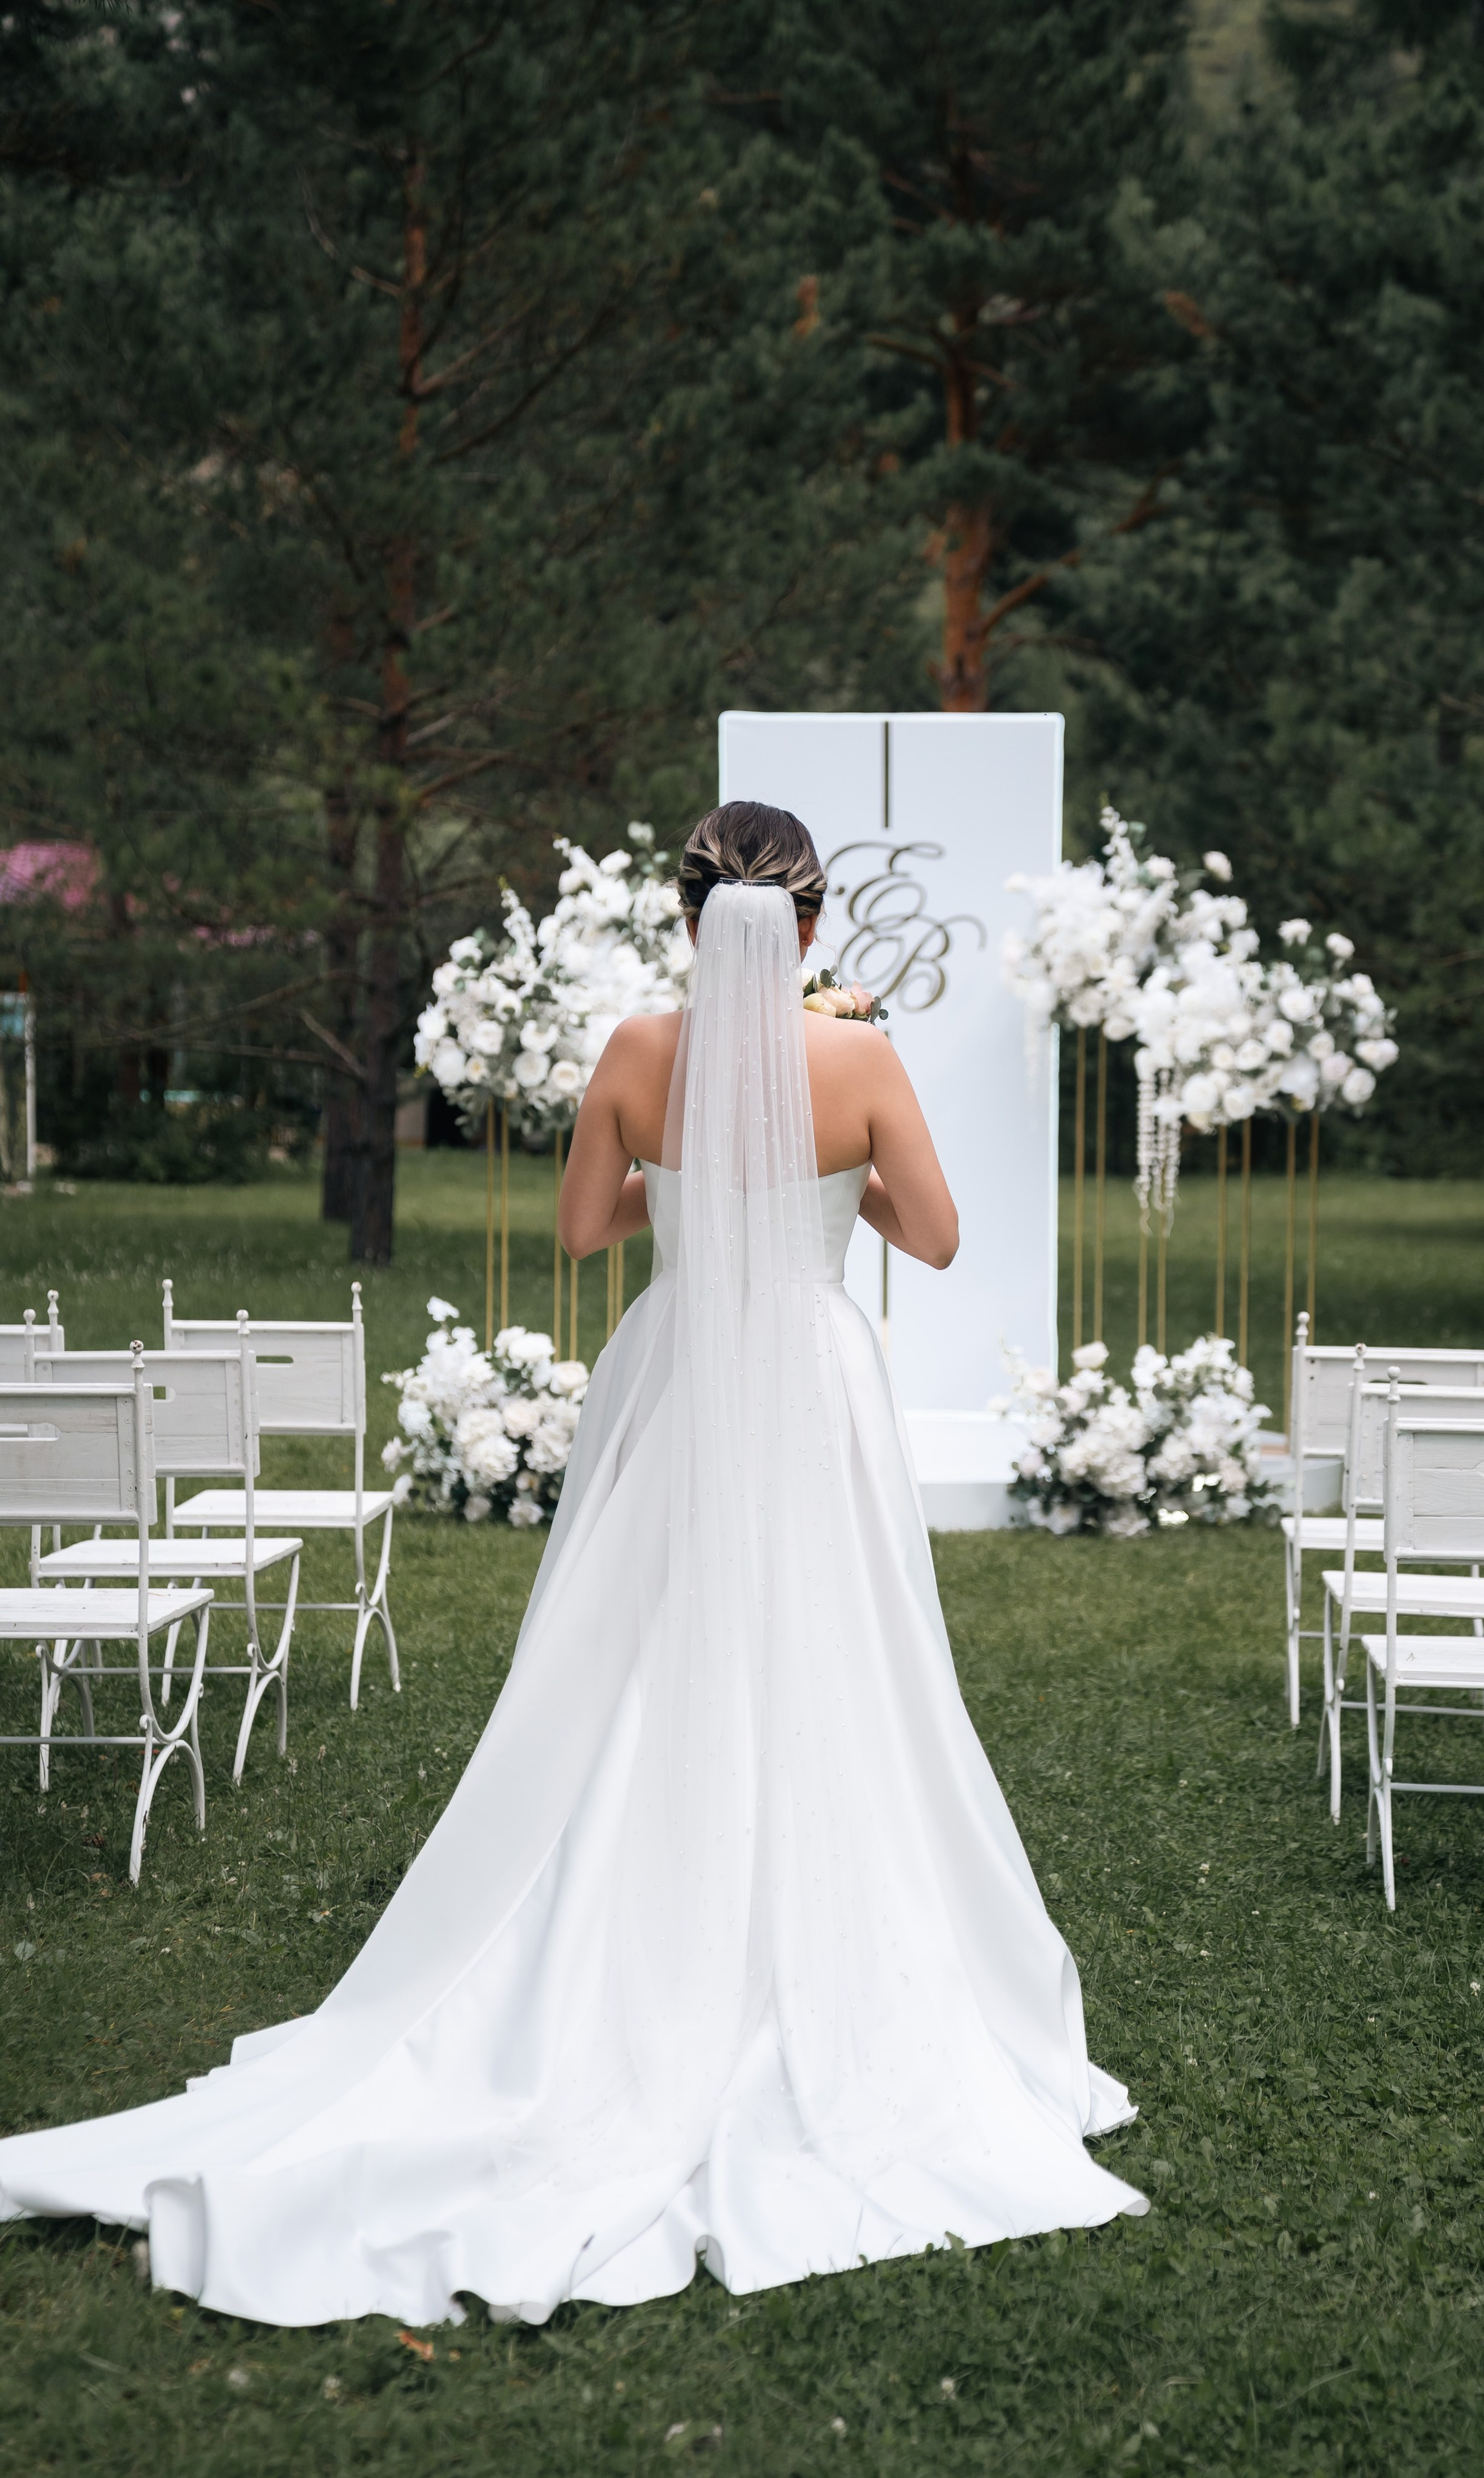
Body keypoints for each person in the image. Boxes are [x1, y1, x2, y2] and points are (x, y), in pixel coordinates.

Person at [0, 801, 1144, 2326]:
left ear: (687, 918)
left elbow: (585, 1231)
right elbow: (930, 1237)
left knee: (643, 1646)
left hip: (675, 1374)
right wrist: (821, 1170)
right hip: (811, 1383)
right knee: (832, 1647)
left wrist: (703, 1168)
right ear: (810, 925)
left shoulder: (634, 1049)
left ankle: (628, 1902)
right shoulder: (861, 1057)